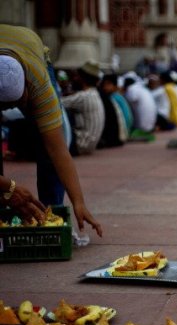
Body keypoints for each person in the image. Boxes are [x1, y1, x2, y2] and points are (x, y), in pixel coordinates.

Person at [0, 24, 102, 235]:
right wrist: (7, 188)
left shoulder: (39, 83)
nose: (9, 110)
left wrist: (78, 202)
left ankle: (50, 217)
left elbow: (57, 149)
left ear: (27, 89)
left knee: (47, 146)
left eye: (15, 104)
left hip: (32, 51)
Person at [61, 61, 105, 155]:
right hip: (89, 144)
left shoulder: (84, 96)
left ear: (82, 79)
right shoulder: (94, 93)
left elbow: (56, 104)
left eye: (76, 76)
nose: (74, 79)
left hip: (80, 143)